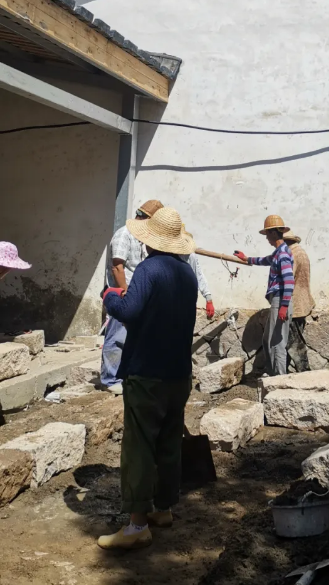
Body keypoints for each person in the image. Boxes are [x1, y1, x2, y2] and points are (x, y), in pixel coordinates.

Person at [97, 206, 198, 551]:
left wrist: (111, 297)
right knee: (169, 443)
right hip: (178, 373)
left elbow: (130, 312)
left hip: (147, 372)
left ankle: (137, 524)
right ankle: (163, 508)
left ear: (147, 242)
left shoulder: (149, 270)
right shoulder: (188, 275)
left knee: (139, 447)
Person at [101, 200, 164, 395]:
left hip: (134, 294)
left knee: (129, 337)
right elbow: (117, 267)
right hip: (121, 293)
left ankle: (123, 374)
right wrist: (126, 291)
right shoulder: (123, 234)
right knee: (116, 337)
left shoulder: (140, 237)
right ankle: (110, 378)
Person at [234, 215, 294, 376]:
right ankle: (274, 374)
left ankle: (280, 380)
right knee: (268, 340)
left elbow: (289, 281)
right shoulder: (278, 253)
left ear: (274, 233)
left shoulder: (282, 254)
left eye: (267, 234)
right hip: (277, 300)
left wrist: (284, 306)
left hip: (280, 299)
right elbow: (265, 260)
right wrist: (247, 259)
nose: (266, 237)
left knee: (277, 342)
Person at [283, 232, 314, 372]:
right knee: (292, 341)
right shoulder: (300, 252)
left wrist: (282, 305)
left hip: (293, 304)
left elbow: (287, 281)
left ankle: (304, 373)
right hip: (301, 302)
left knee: (295, 344)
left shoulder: (291, 254)